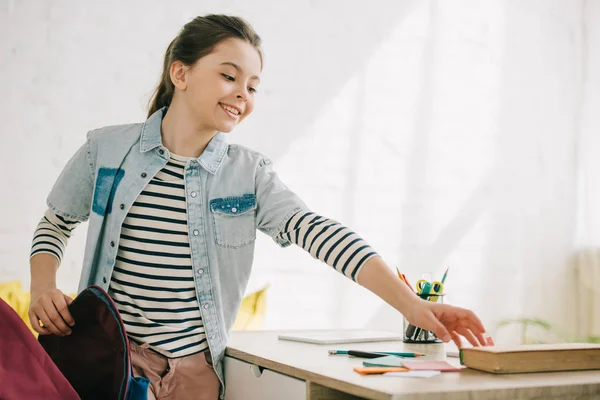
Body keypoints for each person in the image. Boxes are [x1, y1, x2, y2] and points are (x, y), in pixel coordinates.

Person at [28, 14, 487, 400]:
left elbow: (317, 231)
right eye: (229, 76)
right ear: (180, 73)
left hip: (193, 378)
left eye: (252, 85)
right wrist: (42, 284)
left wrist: (410, 305)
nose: (242, 95)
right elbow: (57, 221)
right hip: (108, 365)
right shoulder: (106, 149)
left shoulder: (249, 173)